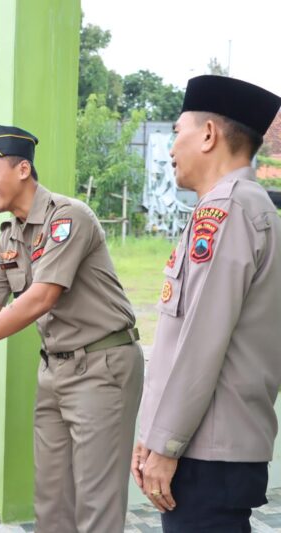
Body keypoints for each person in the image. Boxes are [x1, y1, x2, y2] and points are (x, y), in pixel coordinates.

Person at [0, 126, 144, 532]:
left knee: (96, 501)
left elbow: (41, 298)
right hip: (54, 370)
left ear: (22, 169)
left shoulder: (67, 217)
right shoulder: (11, 235)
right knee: (52, 499)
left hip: (101, 366)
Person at [131, 75, 281, 532]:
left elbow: (201, 343)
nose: (172, 146)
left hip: (206, 449)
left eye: (178, 132)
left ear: (209, 135)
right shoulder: (235, 207)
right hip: (206, 443)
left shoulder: (230, 210)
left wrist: (166, 444)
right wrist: (151, 436)